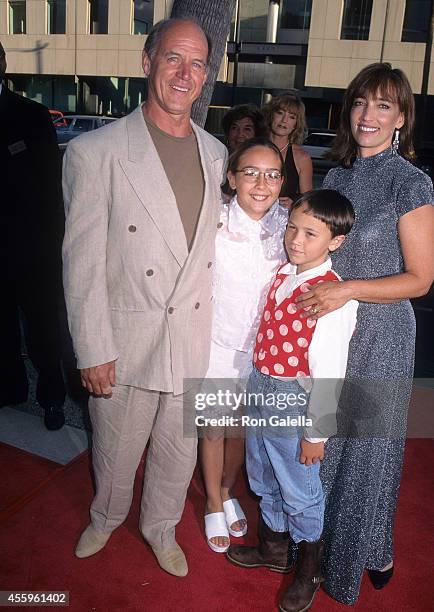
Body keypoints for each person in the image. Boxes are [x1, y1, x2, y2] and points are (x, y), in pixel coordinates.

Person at [62, 18, 227, 577]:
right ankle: (106, 517)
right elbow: (81, 261)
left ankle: (160, 527)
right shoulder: (96, 151)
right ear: (147, 61)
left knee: (177, 455)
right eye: (174, 58)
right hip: (126, 339)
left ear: (207, 75)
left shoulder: (216, 152)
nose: (185, 74)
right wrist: (92, 348)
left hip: (191, 340)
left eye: (198, 63)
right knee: (115, 448)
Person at [294, 63, 434, 604]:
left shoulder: (411, 182)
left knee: (369, 452)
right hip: (334, 327)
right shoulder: (338, 178)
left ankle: (370, 547)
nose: (367, 116)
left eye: (382, 106)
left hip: (382, 335)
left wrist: (349, 289)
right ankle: (322, 548)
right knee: (325, 442)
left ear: (401, 118)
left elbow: (421, 279)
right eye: (359, 103)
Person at [227, 190, 358, 612]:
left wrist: (316, 433)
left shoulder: (331, 296)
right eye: (292, 229)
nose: (296, 240)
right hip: (262, 386)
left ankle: (310, 569)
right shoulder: (285, 272)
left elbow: (329, 371)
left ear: (335, 242)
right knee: (262, 473)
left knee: (299, 489)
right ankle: (274, 548)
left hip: (292, 401)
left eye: (311, 234)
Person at [200, 138, 288, 553]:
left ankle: (227, 487)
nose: (261, 183)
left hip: (264, 352)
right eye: (250, 172)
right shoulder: (212, 222)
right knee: (214, 426)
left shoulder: (289, 226)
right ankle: (213, 501)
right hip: (217, 344)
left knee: (242, 429)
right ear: (232, 178)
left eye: (272, 175)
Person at [0, 41, 66, 430]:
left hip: (34, 253)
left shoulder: (32, 115)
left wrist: (52, 251)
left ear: (4, 64)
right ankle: (10, 390)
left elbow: (50, 189)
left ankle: (52, 399)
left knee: (45, 333)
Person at [262, 93, 313, 209]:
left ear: (296, 124)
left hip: (283, 220)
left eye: (292, 117)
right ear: (270, 115)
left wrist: (294, 205)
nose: (284, 120)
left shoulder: (302, 158)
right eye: (280, 113)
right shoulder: (253, 149)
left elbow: (307, 202)